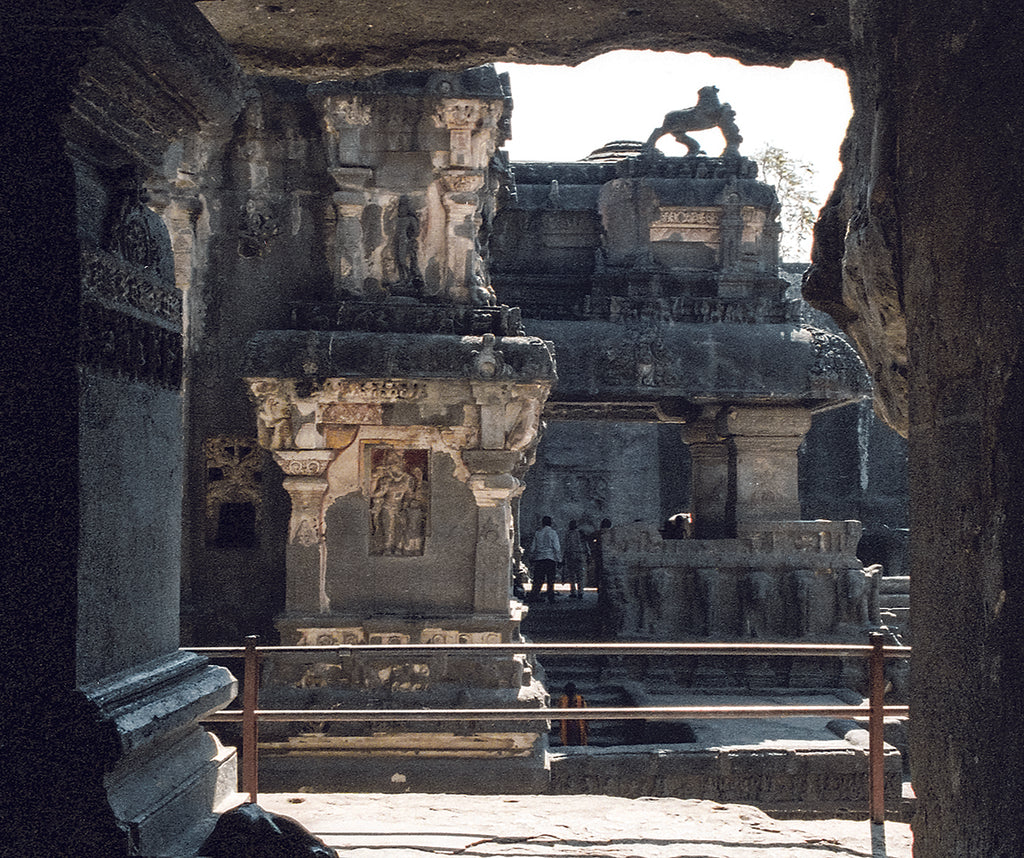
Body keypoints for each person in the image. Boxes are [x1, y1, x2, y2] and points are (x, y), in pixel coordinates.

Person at [529, 515, 561, 603]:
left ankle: (535, 595)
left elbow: (533, 547)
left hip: (539, 558)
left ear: (542, 523)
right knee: (551, 579)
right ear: (550, 523)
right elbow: (556, 547)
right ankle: (551, 597)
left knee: (538, 579)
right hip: (550, 558)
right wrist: (559, 559)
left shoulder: (538, 533)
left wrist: (532, 557)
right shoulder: (553, 533)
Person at [563, 520, 590, 599]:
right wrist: (588, 554)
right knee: (579, 574)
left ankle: (574, 591)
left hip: (572, 555)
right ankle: (580, 591)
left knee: (573, 575)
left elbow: (566, 546)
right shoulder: (580, 533)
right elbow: (585, 544)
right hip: (579, 555)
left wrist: (563, 557)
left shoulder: (569, 534)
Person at [557, 681, 588, 746]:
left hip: (578, 722)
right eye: (569, 691)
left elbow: (584, 711)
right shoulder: (562, 699)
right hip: (566, 722)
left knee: (579, 736)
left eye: (571, 691)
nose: (570, 693)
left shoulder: (580, 699)